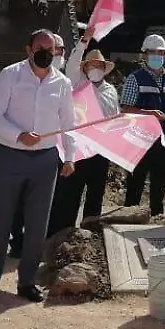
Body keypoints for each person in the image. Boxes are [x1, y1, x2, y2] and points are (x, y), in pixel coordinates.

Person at [0, 29, 76, 305]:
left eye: (51, 49)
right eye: (40, 48)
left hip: (45, 160)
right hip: (10, 156)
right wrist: (18, 135)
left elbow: (68, 123)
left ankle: (26, 282)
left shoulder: (62, 83)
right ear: (29, 50)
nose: (46, 53)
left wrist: (69, 157)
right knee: (1, 220)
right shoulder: (10, 75)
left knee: (37, 224)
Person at [48, 28, 118, 235]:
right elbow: (72, 64)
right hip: (78, 148)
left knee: (96, 194)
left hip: (100, 150)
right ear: (85, 68)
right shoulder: (77, 84)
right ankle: (62, 234)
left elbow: (115, 118)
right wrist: (84, 41)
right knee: (70, 192)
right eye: (91, 65)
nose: (95, 69)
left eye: (99, 66)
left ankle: (91, 234)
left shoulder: (111, 91)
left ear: (104, 69)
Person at [121, 34, 165, 218]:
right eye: (153, 52)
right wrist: (149, 114)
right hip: (141, 141)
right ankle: (129, 217)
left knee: (159, 182)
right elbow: (126, 109)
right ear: (145, 54)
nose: (157, 56)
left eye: (161, 52)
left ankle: (156, 218)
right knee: (136, 182)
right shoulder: (135, 79)